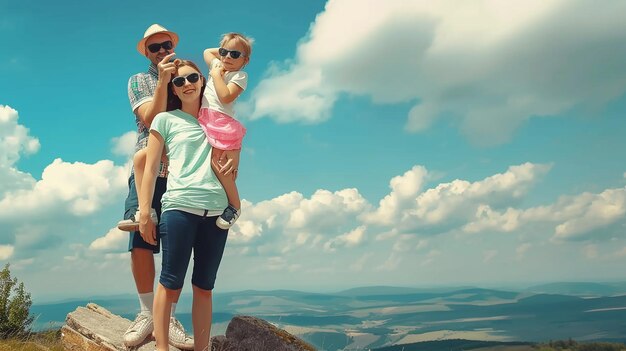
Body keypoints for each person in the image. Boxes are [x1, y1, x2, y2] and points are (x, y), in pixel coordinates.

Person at [139, 59, 231, 351]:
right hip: (179, 208)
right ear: (173, 89)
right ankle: (162, 348)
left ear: (202, 80)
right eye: (178, 81)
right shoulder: (164, 120)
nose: (186, 83)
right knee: (170, 282)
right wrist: (144, 211)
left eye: (192, 77)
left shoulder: (216, 117)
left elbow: (229, 57)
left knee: (204, 287)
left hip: (217, 212)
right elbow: (149, 168)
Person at [119, 24, 193, 349]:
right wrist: (163, 81)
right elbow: (150, 120)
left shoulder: (186, 76)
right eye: (155, 48)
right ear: (148, 53)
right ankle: (147, 312)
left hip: (180, 168)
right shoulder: (139, 81)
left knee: (177, 240)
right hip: (148, 166)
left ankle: (168, 315)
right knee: (140, 238)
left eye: (166, 45)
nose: (162, 51)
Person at [200, 32, 253, 230]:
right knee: (212, 165)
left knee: (222, 167)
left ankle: (235, 206)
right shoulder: (218, 63)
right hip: (206, 120)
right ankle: (220, 200)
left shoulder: (240, 75)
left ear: (245, 61)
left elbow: (226, 97)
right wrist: (224, 52)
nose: (228, 57)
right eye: (225, 52)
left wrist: (215, 74)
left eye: (235, 55)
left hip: (223, 124)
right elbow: (207, 51)